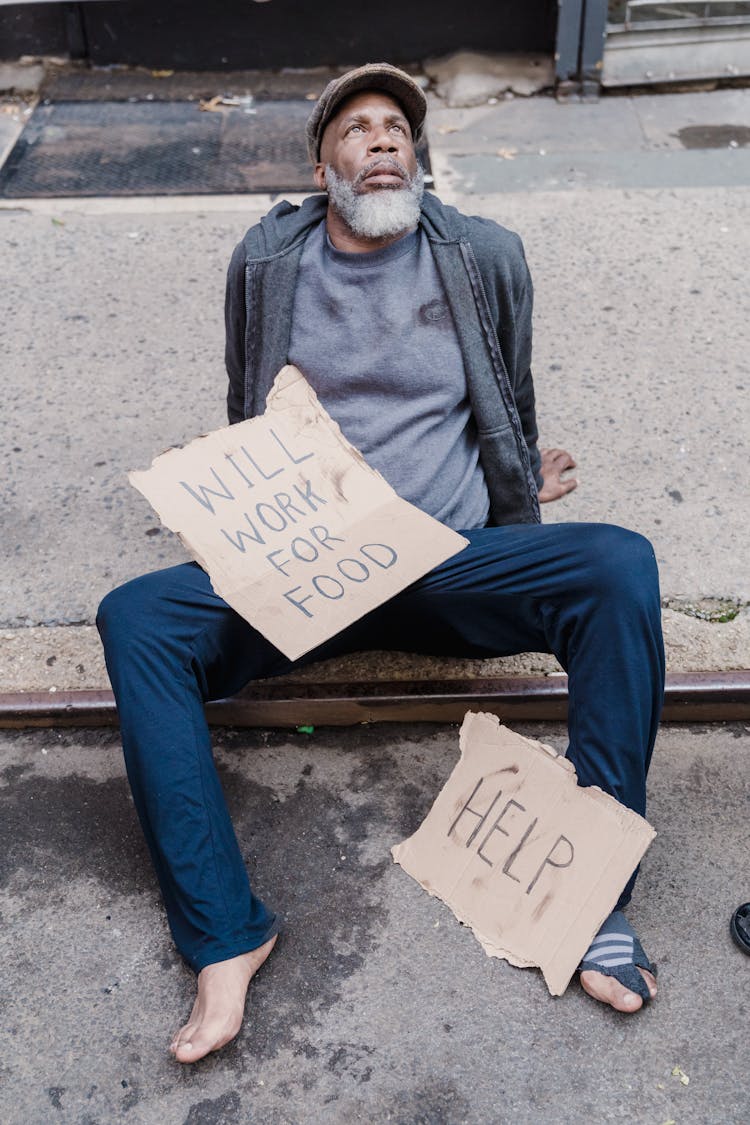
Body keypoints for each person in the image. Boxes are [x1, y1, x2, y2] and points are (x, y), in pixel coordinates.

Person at [97, 63, 664, 1064]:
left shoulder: (483, 255)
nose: (384, 137)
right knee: (138, 617)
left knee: (619, 565)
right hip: (306, 577)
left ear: (418, 155)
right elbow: (249, 406)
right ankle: (226, 936)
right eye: (357, 127)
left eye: (398, 124)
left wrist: (519, 481)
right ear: (324, 168)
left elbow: (505, 396)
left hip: (446, 566)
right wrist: (239, 520)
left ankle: (589, 893)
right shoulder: (269, 263)